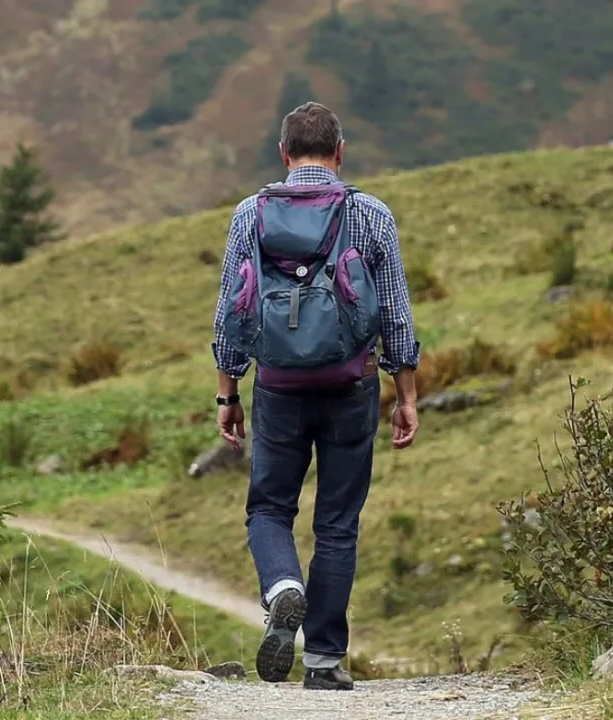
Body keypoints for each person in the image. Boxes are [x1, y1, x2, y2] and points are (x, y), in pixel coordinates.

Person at [211, 101, 420, 691]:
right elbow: (397, 316)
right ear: (339, 151)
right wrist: (405, 393)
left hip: (277, 386)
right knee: (337, 524)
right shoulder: (371, 214)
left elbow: (231, 310)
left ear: (283, 154)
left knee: (269, 507)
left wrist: (228, 393)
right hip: (351, 385)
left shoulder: (250, 215)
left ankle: (283, 587)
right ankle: (324, 661)